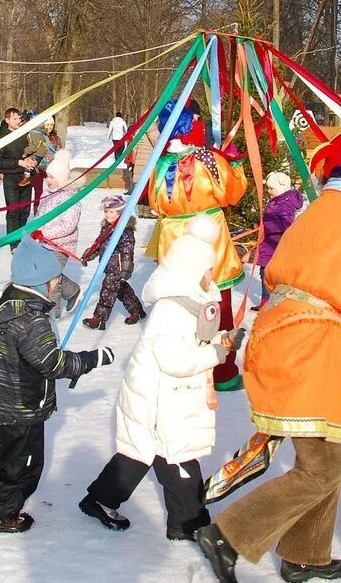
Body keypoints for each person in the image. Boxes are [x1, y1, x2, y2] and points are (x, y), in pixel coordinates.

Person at [196, 114, 341, 583]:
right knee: (320, 466)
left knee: (327, 457)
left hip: (279, 334)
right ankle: (229, 535)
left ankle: (305, 556)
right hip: (313, 347)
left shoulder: (309, 215)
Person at [80, 217, 246, 540]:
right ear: (190, 271)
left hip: (164, 397)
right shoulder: (171, 310)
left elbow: (194, 342)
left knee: (140, 454)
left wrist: (220, 340)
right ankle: (188, 524)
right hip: (160, 399)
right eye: (207, 271)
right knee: (178, 459)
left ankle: (101, 499)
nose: (212, 277)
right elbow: (175, 360)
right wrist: (215, 354)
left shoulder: (188, 303)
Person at [0, 235, 114, 534]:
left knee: (13, 448)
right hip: (22, 406)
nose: (58, 285)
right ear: (39, 283)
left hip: (1, 401)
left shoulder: (6, 306)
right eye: (55, 280)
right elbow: (53, 364)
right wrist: (92, 359)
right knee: (25, 467)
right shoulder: (32, 320)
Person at [146, 101, 247, 391]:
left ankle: (182, 365)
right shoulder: (208, 160)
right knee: (218, 302)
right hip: (209, 236)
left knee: (180, 302)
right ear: (192, 124)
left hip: (173, 236)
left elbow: (154, 203)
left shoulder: (161, 163)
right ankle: (223, 373)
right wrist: (236, 164)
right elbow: (232, 192)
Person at [81, 195, 146, 329]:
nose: (108, 215)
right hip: (108, 264)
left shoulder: (125, 230)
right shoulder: (107, 227)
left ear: (121, 213)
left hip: (118, 267)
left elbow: (127, 250)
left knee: (108, 290)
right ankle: (137, 311)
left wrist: (127, 268)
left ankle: (99, 319)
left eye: (112, 212)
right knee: (120, 289)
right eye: (106, 211)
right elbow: (99, 244)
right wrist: (89, 254)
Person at [32, 150, 82, 318]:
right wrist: (34, 229)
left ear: (62, 179)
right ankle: (72, 290)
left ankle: (52, 314)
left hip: (61, 245)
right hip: (44, 242)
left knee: (51, 278)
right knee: (44, 273)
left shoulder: (70, 199)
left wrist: (43, 232)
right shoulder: (48, 194)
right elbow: (40, 215)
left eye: (52, 177)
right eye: (48, 176)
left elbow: (68, 225)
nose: (48, 180)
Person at [252, 171, 303, 311]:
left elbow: (286, 224)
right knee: (264, 272)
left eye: (271, 188)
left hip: (278, 244)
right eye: (268, 188)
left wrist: (266, 226)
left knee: (273, 273)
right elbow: (271, 217)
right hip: (270, 244)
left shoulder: (285, 204)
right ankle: (266, 300)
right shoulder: (277, 200)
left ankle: (278, 300)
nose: (269, 191)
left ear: (281, 188)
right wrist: (260, 223)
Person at [0, 107, 38, 251]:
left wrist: (33, 160)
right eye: (15, 119)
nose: (18, 121)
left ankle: (23, 238)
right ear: (7, 120)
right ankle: (13, 243)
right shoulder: (1, 138)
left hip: (27, 176)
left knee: (25, 210)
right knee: (13, 211)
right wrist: (19, 162)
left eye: (19, 118)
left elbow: (35, 149)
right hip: (11, 178)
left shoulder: (26, 134)